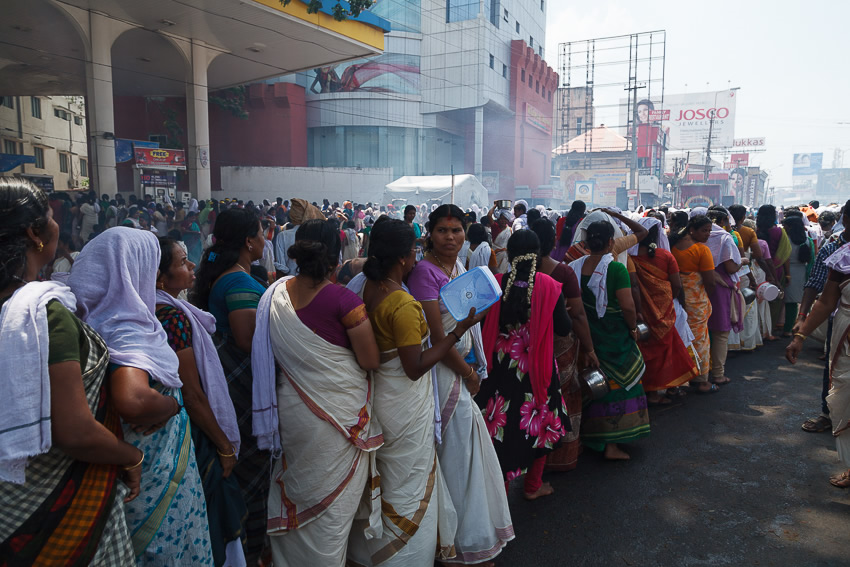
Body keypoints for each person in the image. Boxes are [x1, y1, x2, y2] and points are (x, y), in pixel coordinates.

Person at [0, 179, 139, 566]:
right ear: (35, 234)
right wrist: (130, 456)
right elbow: (74, 431)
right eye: (50, 215)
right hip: (56, 504)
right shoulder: (40, 314)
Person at [68, 228, 213, 565]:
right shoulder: (127, 326)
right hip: (151, 475)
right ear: (136, 270)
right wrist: (172, 404)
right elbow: (134, 401)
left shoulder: (90, 317)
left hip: (126, 469)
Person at [348, 219, 488, 566]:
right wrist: (458, 333)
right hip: (404, 402)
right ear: (404, 257)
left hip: (381, 396)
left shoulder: (365, 287)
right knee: (408, 483)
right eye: (414, 251)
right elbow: (415, 366)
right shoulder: (403, 305)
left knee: (390, 477)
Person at [251, 219, 382, 567]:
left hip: (293, 412)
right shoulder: (343, 299)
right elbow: (370, 359)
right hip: (337, 419)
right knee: (331, 518)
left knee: (300, 491)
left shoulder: (275, 294)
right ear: (337, 256)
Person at [408, 204, 513, 565]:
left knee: (466, 456)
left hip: (460, 365)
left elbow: (468, 321)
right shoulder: (424, 273)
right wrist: (467, 374)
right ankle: (452, 544)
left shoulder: (458, 266)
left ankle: (467, 537)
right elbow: (439, 336)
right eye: (442, 231)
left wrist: (472, 368)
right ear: (429, 234)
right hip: (442, 372)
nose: (450, 238)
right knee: (455, 456)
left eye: (456, 231)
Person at [154, 237, 247, 567]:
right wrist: (223, 445)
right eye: (181, 262)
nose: (191, 265)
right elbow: (191, 394)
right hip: (192, 435)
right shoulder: (172, 318)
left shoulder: (150, 311)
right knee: (215, 508)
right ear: (159, 279)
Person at [191, 208, 270, 565]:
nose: (266, 239)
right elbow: (246, 338)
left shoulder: (228, 275)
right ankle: (248, 553)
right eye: (261, 233)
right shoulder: (237, 282)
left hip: (232, 383)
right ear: (248, 241)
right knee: (250, 477)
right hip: (241, 388)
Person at [478, 229, 570, 496]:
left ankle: (501, 492)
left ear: (508, 253)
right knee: (540, 420)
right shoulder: (548, 286)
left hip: (499, 369)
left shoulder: (495, 283)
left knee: (500, 427)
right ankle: (533, 486)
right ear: (540, 254)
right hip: (536, 369)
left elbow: (481, 324)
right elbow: (564, 329)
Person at [569, 221, 649, 460]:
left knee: (594, 382)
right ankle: (612, 445)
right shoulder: (615, 269)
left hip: (587, 333)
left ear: (585, 243)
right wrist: (633, 328)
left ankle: (590, 437)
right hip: (614, 334)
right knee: (620, 384)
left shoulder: (574, 267)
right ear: (611, 242)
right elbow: (627, 305)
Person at [529, 218, 598, 472]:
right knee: (565, 395)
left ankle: (533, 460)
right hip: (559, 343)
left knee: (534, 398)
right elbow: (578, 315)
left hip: (525, 346)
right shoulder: (562, 272)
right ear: (553, 242)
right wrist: (590, 349)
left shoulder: (516, 270)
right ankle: (561, 455)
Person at [786, 242, 850, 489]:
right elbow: (825, 302)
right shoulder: (844, 258)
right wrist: (800, 336)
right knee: (846, 401)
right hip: (845, 342)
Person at [793, 202, 850, 434]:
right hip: (841, 323)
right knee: (836, 374)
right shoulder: (836, 249)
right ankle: (829, 415)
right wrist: (801, 326)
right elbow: (819, 289)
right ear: (845, 220)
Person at [629, 217, 697, 404]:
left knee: (645, 350)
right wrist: (667, 300)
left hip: (638, 311)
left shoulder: (628, 258)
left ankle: (648, 391)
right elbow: (676, 285)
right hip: (663, 311)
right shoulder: (665, 256)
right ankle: (662, 391)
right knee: (665, 351)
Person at [670, 215, 718, 393]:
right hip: (696, 302)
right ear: (692, 229)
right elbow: (710, 282)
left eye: (709, 230)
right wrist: (708, 296)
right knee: (699, 341)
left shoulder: (672, 245)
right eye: (705, 230)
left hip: (676, 299)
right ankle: (701, 380)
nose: (708, 234)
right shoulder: (701, 250)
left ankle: (679, 380)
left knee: (680, 339)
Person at [705, 209, 743, 386]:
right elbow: (730, 267)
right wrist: (743, 261)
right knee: (720, 332)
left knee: (702, 331)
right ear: (722, 220)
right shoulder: (724, 237)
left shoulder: (694, 236)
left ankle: (702, 373)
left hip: (700, 284)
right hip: (720, 287)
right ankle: (718, 373)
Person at [757, 205, 791, 334]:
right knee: (774, 301)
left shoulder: (755, 230)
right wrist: (788, 275)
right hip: (776, 270)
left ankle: (759, 330)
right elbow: (785, 255)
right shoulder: (779, 232)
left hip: (759, 271)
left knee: (759, 301)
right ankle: (769, 330)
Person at [782, 215, 814, 337]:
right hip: (802, 271)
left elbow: (784, 257)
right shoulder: (807, 240)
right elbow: (812, 258)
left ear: (790, 227)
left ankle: (788, 329)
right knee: (802, 301)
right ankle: (804, 326)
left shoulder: (786, 240)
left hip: (788, 271)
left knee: (790, 303)